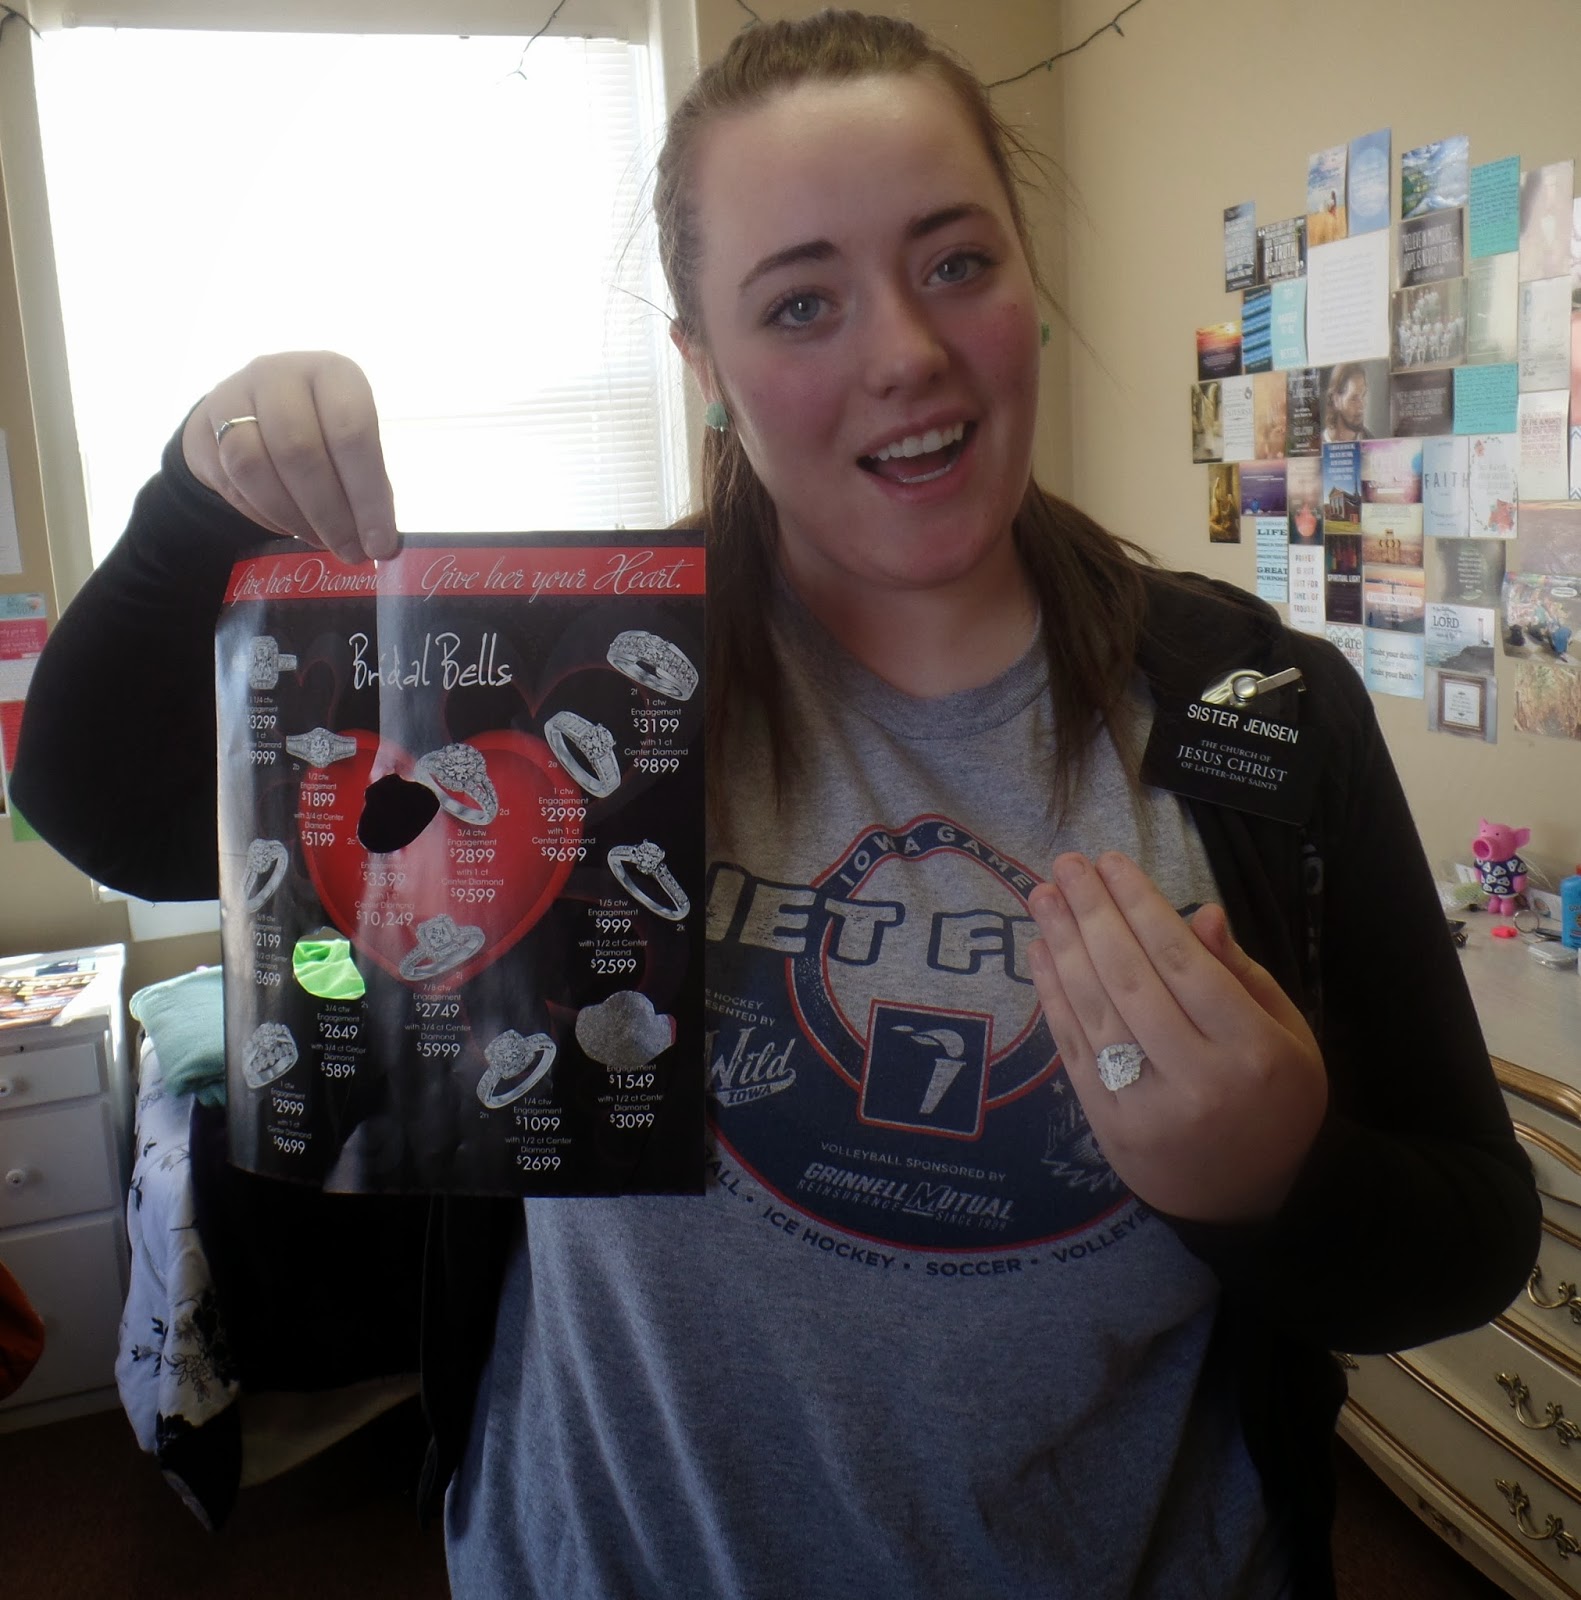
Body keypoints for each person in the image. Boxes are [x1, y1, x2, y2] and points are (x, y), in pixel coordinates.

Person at [12, 12, 1539, 1599]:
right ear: (707, 367)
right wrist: (195, 502)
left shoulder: (1260, 715)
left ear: (1026, 281)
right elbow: (102, 809)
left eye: (956, 262)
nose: (906, 351)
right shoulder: (566, 671)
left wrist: (1280, 1179)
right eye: (800, 301)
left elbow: (1473, 1234)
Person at [1321, 362, 1373, 442]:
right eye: (1353, 398)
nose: (1362, 405)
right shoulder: (1317, 445)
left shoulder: (1371, 441)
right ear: (1336, 400)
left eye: (1363, 395)